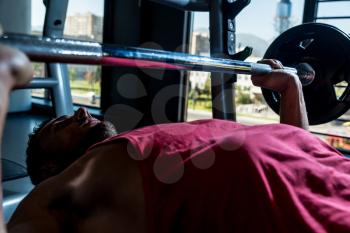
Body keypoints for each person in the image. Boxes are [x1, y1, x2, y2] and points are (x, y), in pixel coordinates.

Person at [1, 44, 349, 233]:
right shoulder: (64, 191)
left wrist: (291, 88)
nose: (80, 113)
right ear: (49, 167)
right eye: (60, 126)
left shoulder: (140, 147)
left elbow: (299, 151)